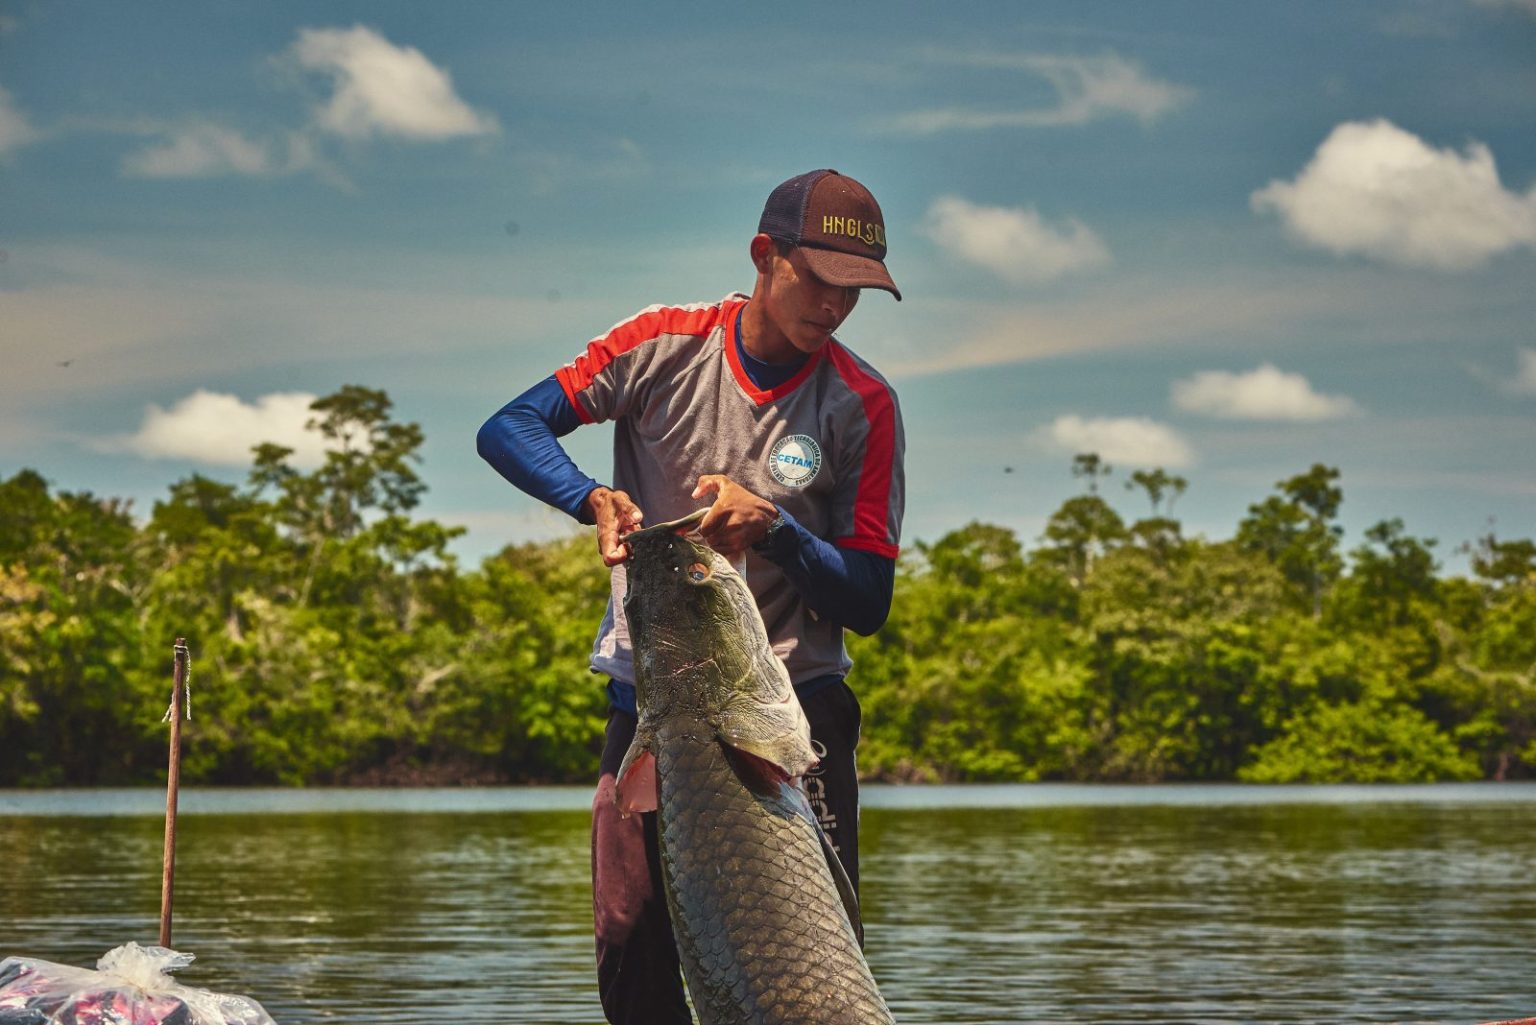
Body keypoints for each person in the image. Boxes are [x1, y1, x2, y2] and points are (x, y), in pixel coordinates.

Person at [477, 168, 905, 1025]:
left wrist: (776, 527)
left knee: (798, 959)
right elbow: (508, 427)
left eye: (854, 291)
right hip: (649, 702)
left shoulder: (863, 405)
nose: (833, 307)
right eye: (819, 280)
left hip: (790, 719)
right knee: (631, 938)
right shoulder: (662, 345)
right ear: (764, 255)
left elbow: (868, 597)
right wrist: (589, 496)